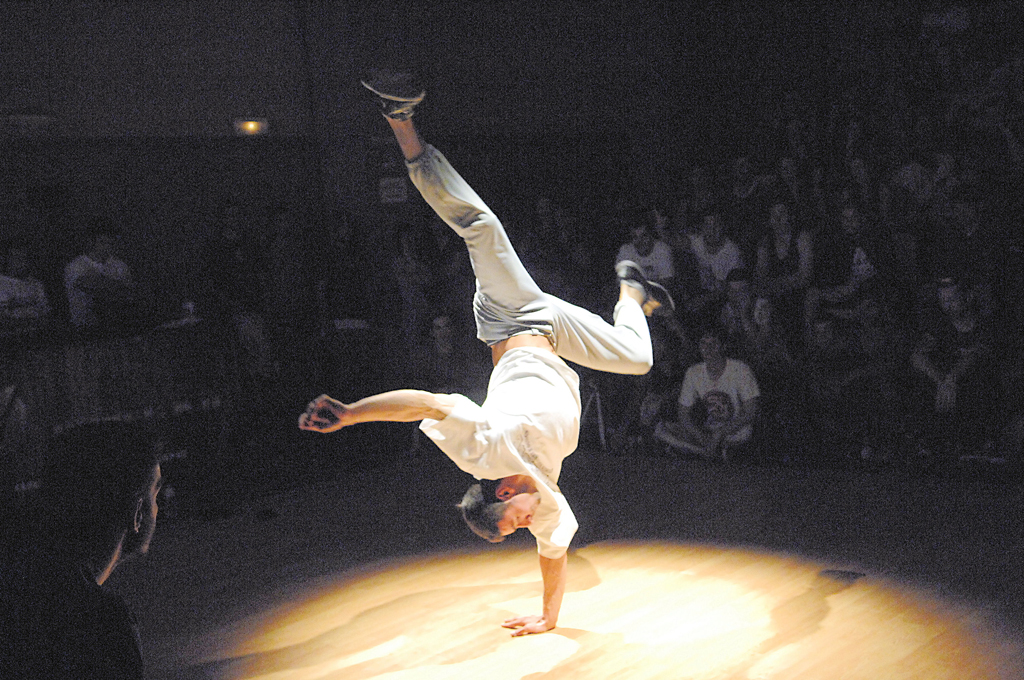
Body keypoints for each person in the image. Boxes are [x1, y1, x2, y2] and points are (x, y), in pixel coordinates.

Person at [299, 71, 671, 637]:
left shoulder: (484, 452)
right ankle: (632, 288)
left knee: (482, 227)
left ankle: (401, 122)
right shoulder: (544, 502)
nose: (526, 527)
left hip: (513, 318)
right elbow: (553, 555)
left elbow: (422, 403)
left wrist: (352, 413)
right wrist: (549, 617)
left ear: (502, 492)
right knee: (638, 359)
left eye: (514, 522)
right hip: (559, 337)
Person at [0, 423, 162, 679]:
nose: (157, 508)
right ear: (137, 513)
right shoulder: (102, 624)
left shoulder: (18, 594)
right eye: (155, 493)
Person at [655, 324, 761, 461]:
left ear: (723, 346)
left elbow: (751, 411)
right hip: (708, 431)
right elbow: (683, 413)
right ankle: (710, 452)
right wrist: (702, 437)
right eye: (704, 344)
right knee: (663, 429)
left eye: (713, 344)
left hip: (736, 431)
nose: (708, 349)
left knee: (745, 436)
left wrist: (722, 432)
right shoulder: (694, 372)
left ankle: (703, 452)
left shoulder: (740, 370)